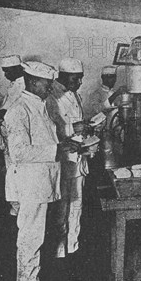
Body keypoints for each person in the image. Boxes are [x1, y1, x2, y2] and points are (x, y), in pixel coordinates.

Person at [4, 61, 63, 281]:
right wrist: (57, 149)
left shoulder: (40, 105)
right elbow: (19, 152)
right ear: (32, 81)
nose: (50, 88)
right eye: (47, 84)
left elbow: (45, 142)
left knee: (35, 235)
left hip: (40, 182)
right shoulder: (18, 110)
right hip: (30, 184)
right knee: (30, 237)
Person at [46, 58, 88, 258]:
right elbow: (51, 130)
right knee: (61, 207)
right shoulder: (51, 96)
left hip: (78, 160)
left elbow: (78, 123)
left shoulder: (75, 95)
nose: (79, 83)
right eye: (75, 78)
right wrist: (74, 128)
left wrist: (86, 131)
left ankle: (73, 247)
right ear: (62, 76)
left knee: (77, 204)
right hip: (63, 160)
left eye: (80, 78)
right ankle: (59, 252)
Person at [0, 55, 26, 216]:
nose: (5, 75)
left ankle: (19, 207)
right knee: (12, 172)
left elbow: (11, 111)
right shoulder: (14, 85)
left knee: (16, 173)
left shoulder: (23, 86)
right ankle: (16, 206)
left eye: (8, 71)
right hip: (9, 137)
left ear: (18, 69)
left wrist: (0, 112)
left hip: (16, 138)